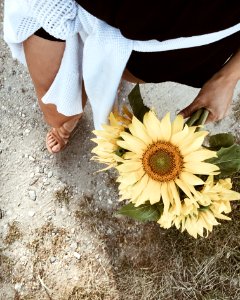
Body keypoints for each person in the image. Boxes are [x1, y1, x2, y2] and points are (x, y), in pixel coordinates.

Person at [4, 0, 240, 153]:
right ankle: (68, 121)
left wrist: (228, 78)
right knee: (59, 107)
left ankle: (98, 88)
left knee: (65, 103)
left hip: (186, 48)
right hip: (79, 11)